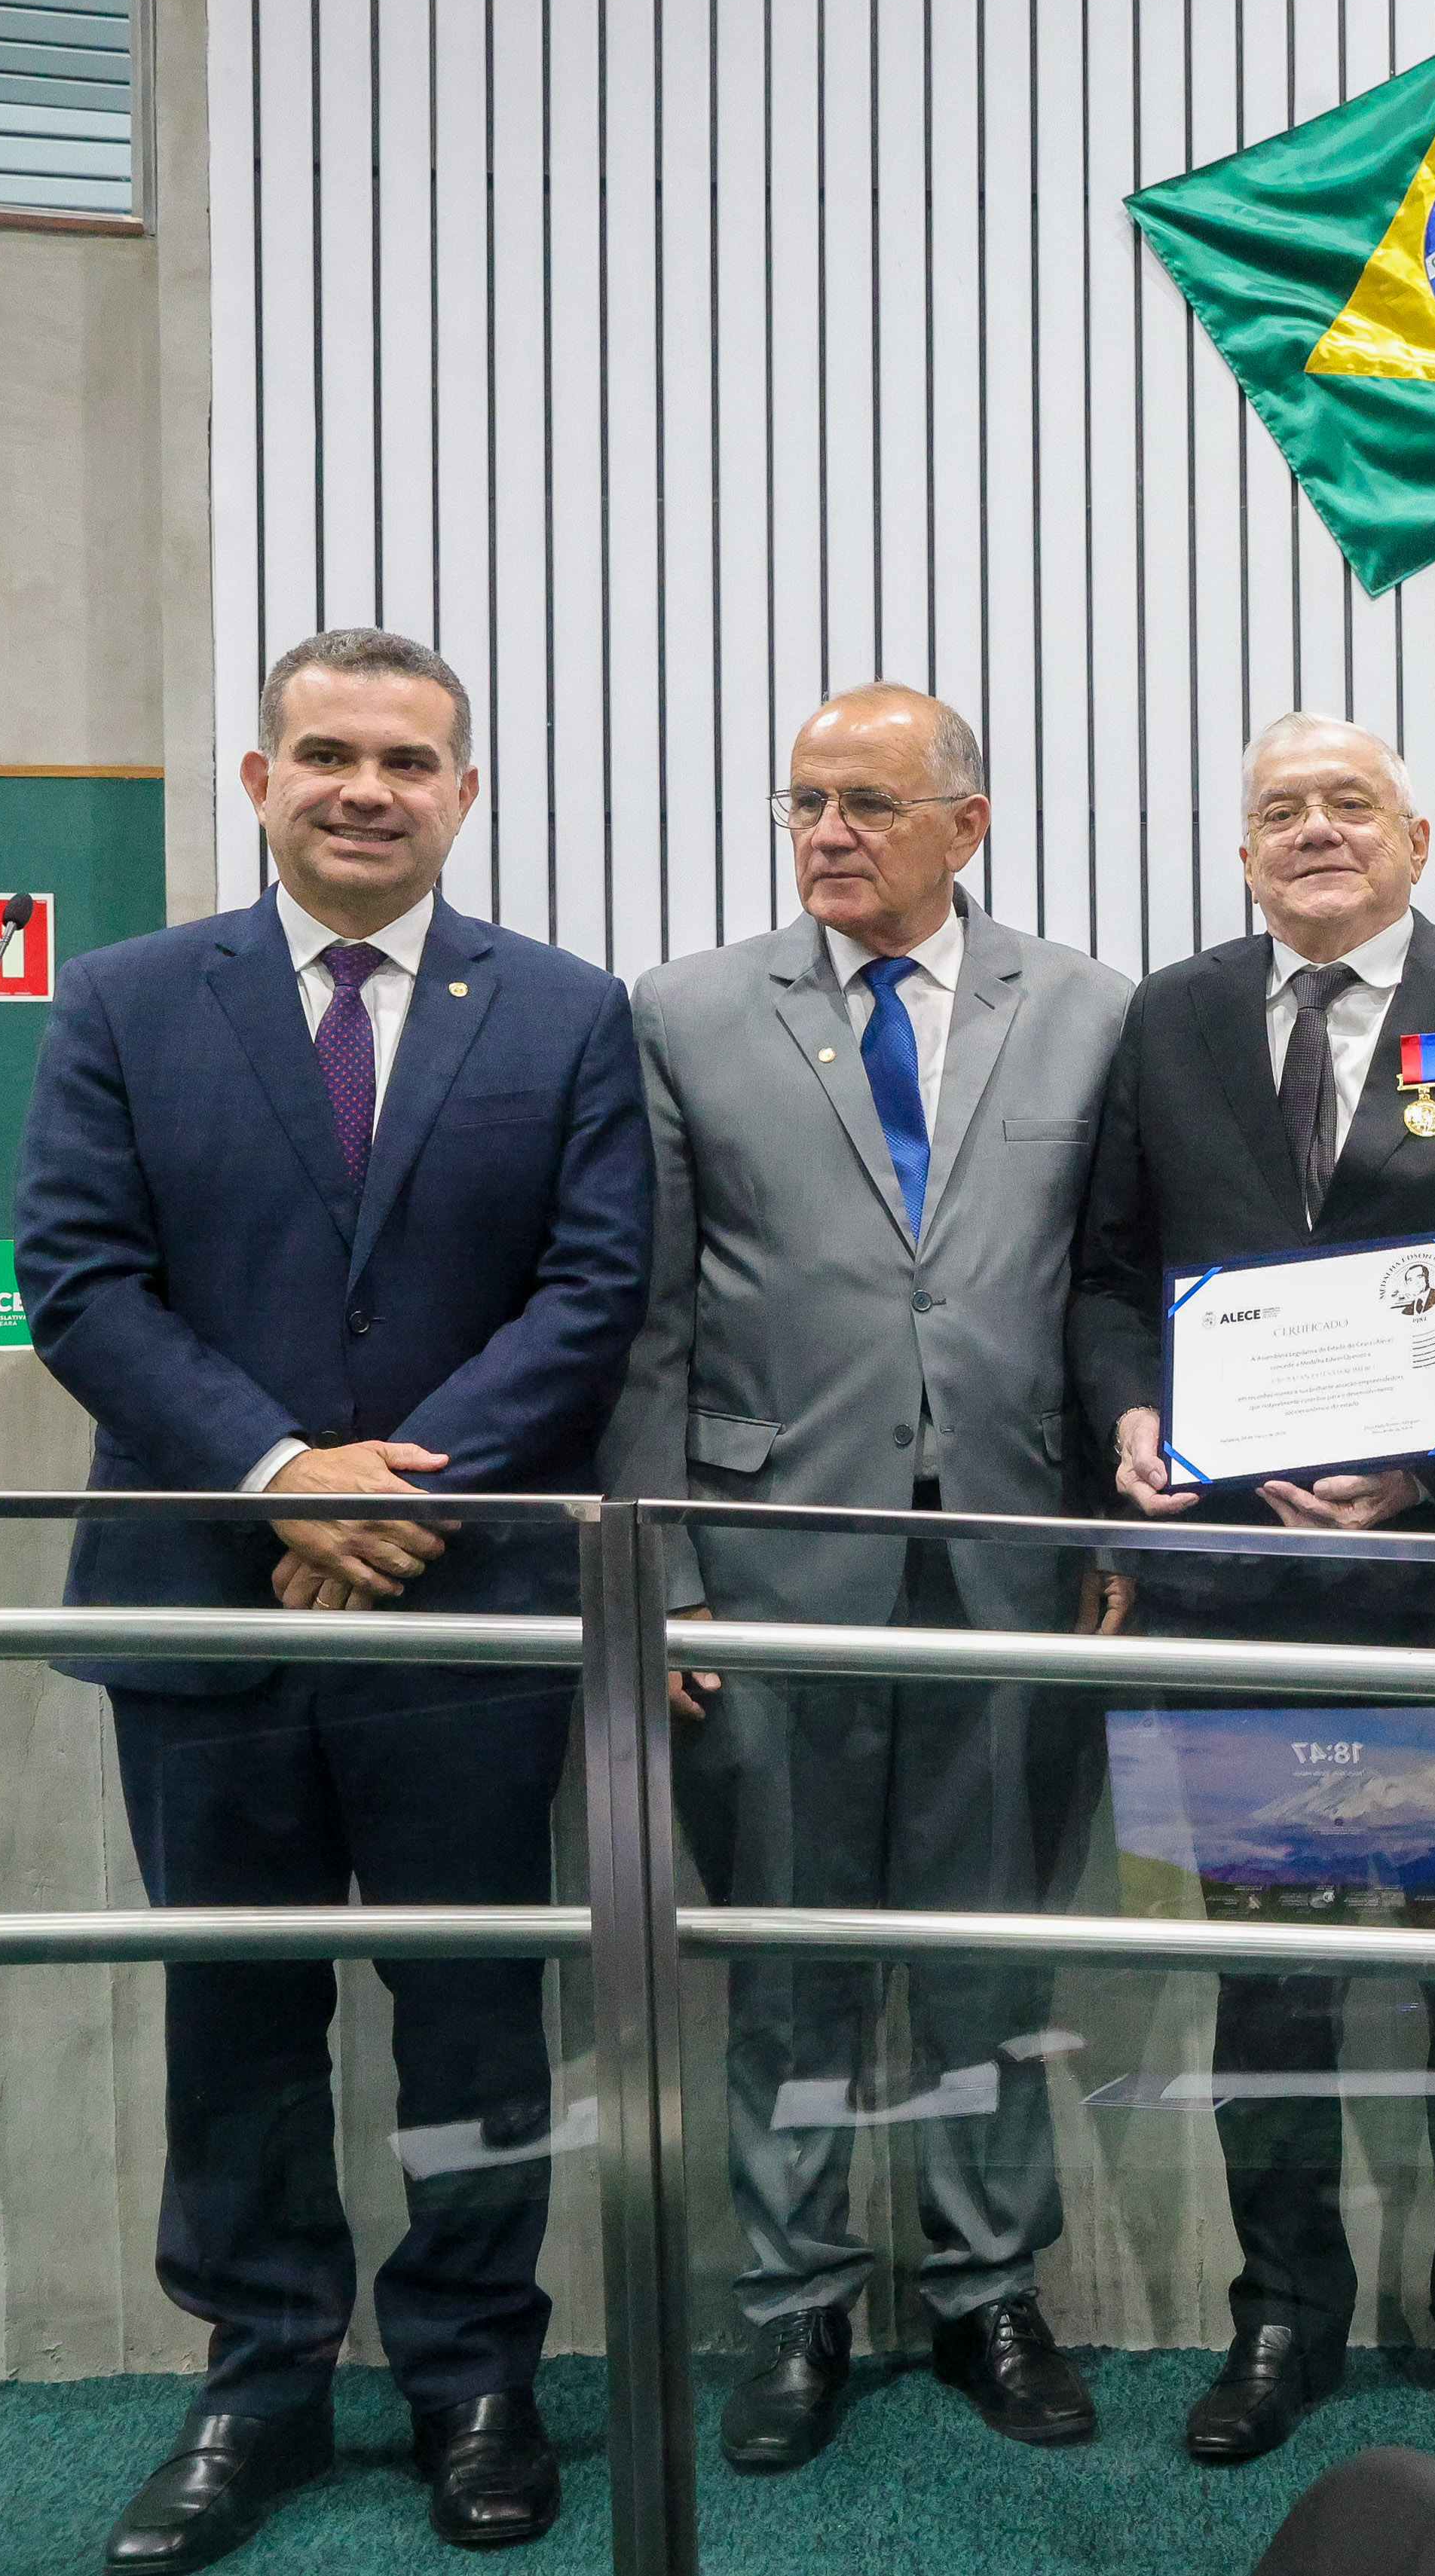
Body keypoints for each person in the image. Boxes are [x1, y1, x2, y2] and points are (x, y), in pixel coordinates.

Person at [15, 628, 650, 2571]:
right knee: (237, 2010)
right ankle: (261, 2381)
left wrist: (397, 1490)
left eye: (406, 760)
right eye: (327, 754)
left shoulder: (566, 1010)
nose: (365, 788)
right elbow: (80, 1281)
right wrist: (286, 1474)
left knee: (475, 2019)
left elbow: (593, 1288)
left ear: (464, 793)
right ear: (259, 779)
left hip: (461, 1612)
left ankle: (477, 2381)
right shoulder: (127, 998)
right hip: (209, 1605)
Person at [1069, 713, 1435, 2469]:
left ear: (1415, 837)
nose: (1316, 830)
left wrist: (1424, 1469)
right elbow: (1106, 1280)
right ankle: (1282, 2316)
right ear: (1242, 850)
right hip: (1239, 1589)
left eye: (1350, 805)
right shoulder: (1170, 1016)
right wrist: (1132, 1418)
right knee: (1275, 1987)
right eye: (1281, 810)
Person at [600, 682, 1134, 2472]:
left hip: (1012, 1552)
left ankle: (989, 2289)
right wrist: (664, 1565)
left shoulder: (1091, 1010)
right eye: (806, 801)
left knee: (987, 1955)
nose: (828, 833)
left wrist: (1109, 1532)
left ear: (966, 826)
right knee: (791, 1958)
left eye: (870, 804)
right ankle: (798, 2302)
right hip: (765, 1563)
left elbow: (1108, 1292)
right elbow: (648, 1315)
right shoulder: (684, 1012)